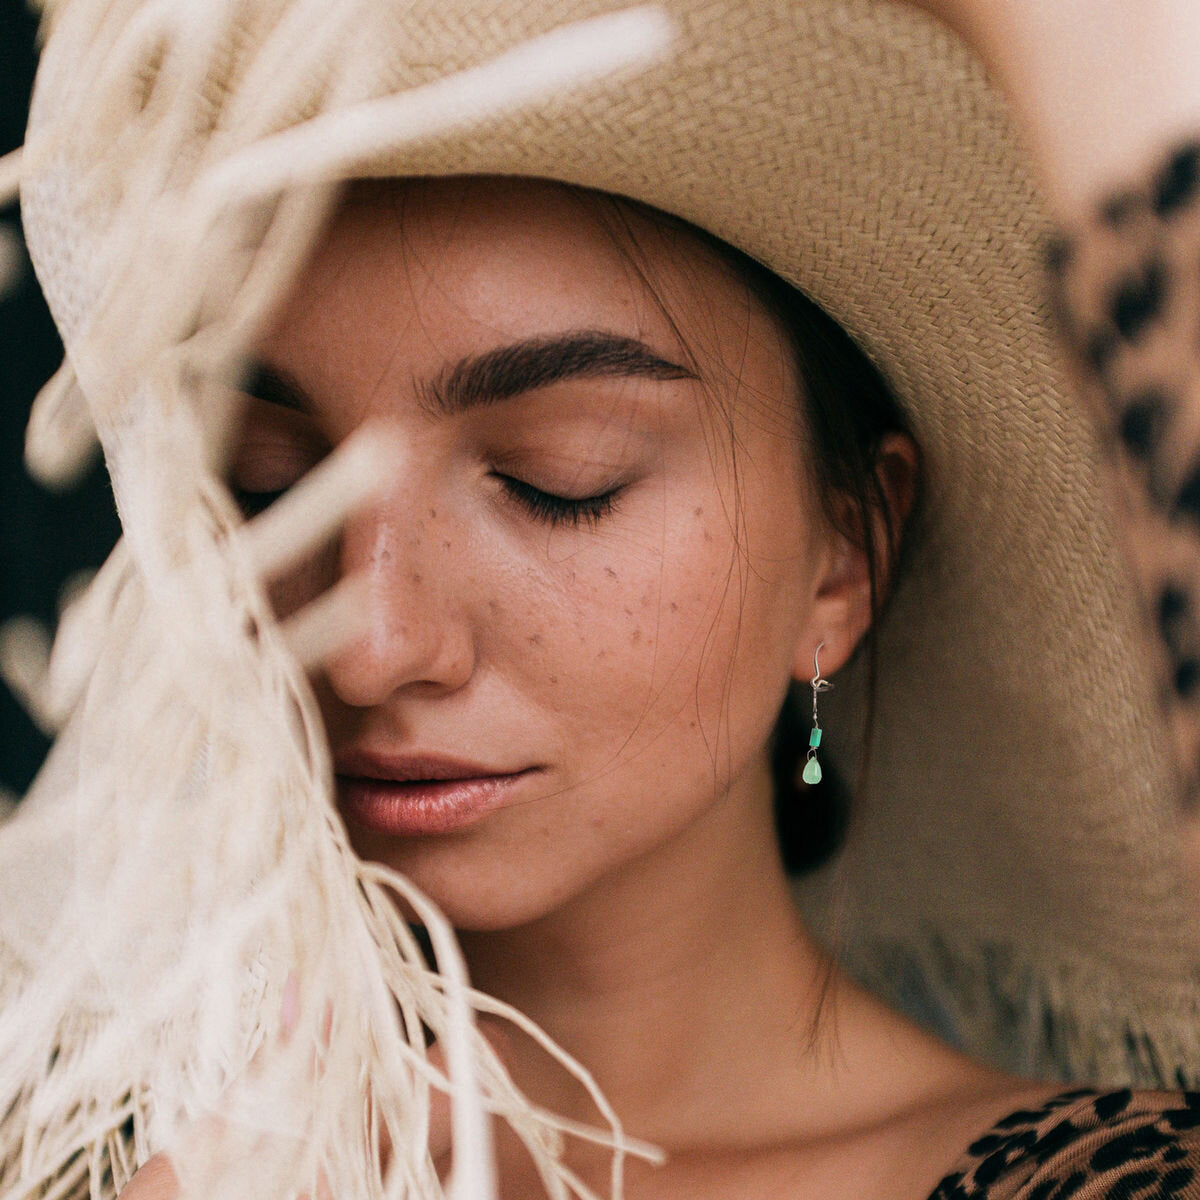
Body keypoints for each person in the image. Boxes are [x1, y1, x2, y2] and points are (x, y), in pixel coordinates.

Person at [5, 0, 1200, 1198]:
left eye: (556, 483)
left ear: (844, 554)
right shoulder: (92, 1153)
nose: (371, 646)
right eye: (271, 489)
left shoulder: (1105, 1177)